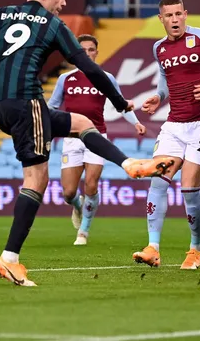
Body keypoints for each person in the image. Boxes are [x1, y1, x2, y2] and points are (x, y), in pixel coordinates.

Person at [0, 0, 173, 287]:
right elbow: (90, 69)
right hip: (27, 103)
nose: (64, 3)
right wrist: (120, 103)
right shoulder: (53, 25)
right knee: (37, 178)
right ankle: (9, 259)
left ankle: (128, 164)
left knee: (80, 123)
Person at [132, 0, 200, 270]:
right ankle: (153, 247)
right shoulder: (159, 49)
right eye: (169, 15)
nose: (175, 19)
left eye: (178, 14)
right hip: (174, 125)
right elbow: (166, 79)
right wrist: (158, 96)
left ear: (185, 14)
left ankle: (196, 248)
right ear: (161, 19)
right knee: (158, 180)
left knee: (189, 188)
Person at [48, 34, 147, 246]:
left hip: (96, 136)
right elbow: (53, 106)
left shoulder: (105, 77)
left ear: (96, 52)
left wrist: (136, 122)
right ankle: (76, 205)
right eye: (82, 50)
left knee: (91, 185)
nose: (87, 53)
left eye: (91, 49)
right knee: (68, 193)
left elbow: (120, 104)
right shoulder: (65, 79)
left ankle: (83, 232)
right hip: (71, 138)